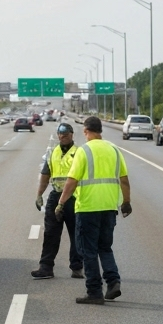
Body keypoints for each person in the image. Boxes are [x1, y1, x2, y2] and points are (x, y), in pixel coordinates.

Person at [56, 116, 131, 304]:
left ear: (85, 130)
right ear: (101, 130)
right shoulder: (114, 149)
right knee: (105, 247)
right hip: (109, 207)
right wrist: (126, 202)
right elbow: (123, 179)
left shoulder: (83, 151)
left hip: (88, 207)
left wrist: (61, 203)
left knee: (88, 251)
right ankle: (113, 282)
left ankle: (94, 292)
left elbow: (72, 181)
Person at [32, 123, 84, 279]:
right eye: (60, 133)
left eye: (66, 133)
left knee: (76, 234)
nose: (63, 136)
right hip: (55, 196)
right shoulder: (53, 153)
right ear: (58, 135)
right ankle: (46, 268)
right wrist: (39, 194)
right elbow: (45, 176)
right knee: (50, 234)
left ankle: (77, 268)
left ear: (72, 134)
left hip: (74, 197)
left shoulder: (79, 152)